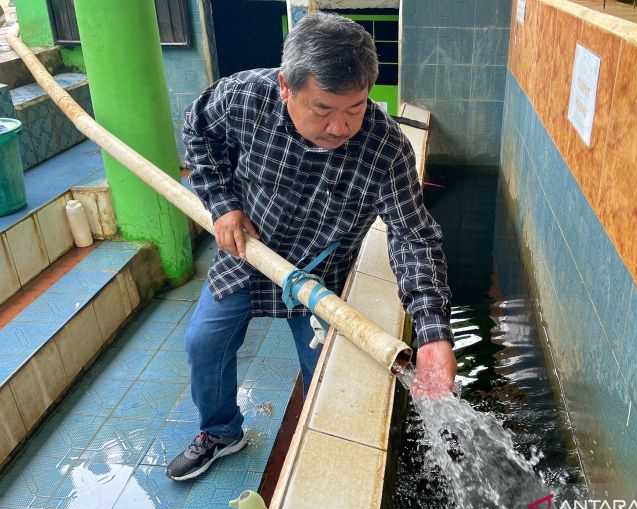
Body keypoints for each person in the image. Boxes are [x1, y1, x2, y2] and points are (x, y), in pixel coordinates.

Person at [166, 12, 456, 481]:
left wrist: (434, 333)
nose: (341, 127)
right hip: (247, 249)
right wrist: (222, 204)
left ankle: (321, 453)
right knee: (204, 342)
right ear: (285, 87)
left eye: (356, 107)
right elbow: (199, 130)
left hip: (320, 276)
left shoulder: (385, 148)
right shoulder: (246, 96)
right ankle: (221, 431)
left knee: (326, 374)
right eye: (323, 109)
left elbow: (414, 238)